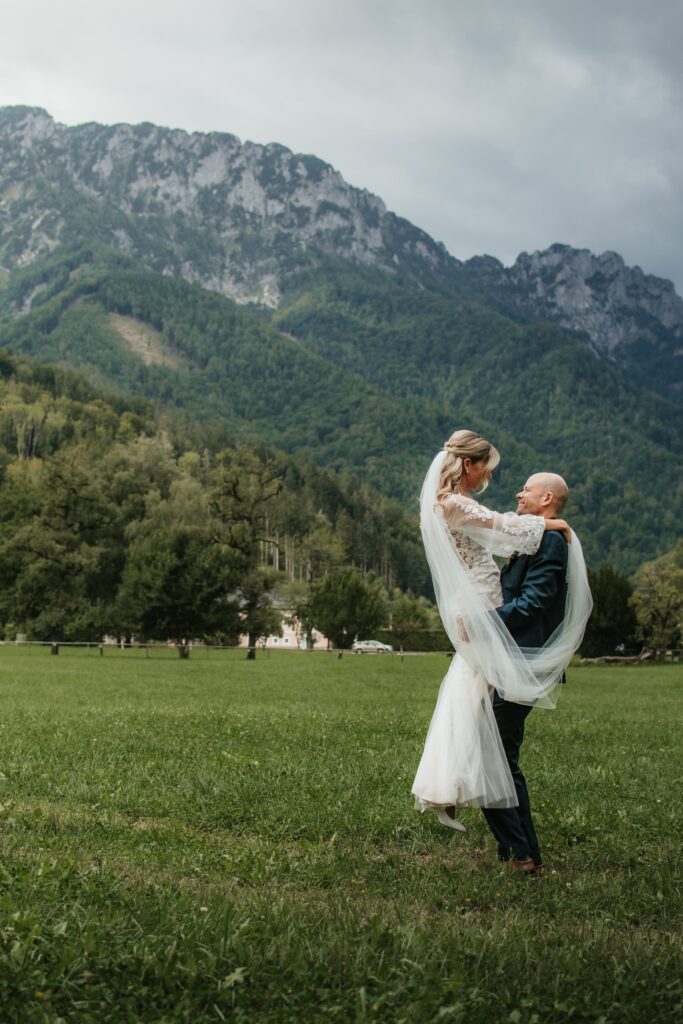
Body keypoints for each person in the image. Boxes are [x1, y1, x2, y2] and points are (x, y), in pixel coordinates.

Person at [411, 430, 592, 842]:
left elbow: (500, 532)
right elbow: (505, 528)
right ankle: (459, 786)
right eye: (486, 468)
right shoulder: (453, 503)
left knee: (477, 711)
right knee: (483, 720)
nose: (490, 478)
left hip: (485, 608)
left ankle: (455, 784)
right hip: (483, 607)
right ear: (468, 464)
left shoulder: (448, 503)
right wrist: (550, 523)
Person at [482, 472, 574, 876]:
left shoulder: (550, 542)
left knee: (489, 752)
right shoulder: (536, 536)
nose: (519, 494)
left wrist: (483, 621)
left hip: (527, 662)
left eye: (527, 489)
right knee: (503, 754)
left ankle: (519, 851)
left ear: (547, 498)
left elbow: (535, 602)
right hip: (515, 661)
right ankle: (523, 852)